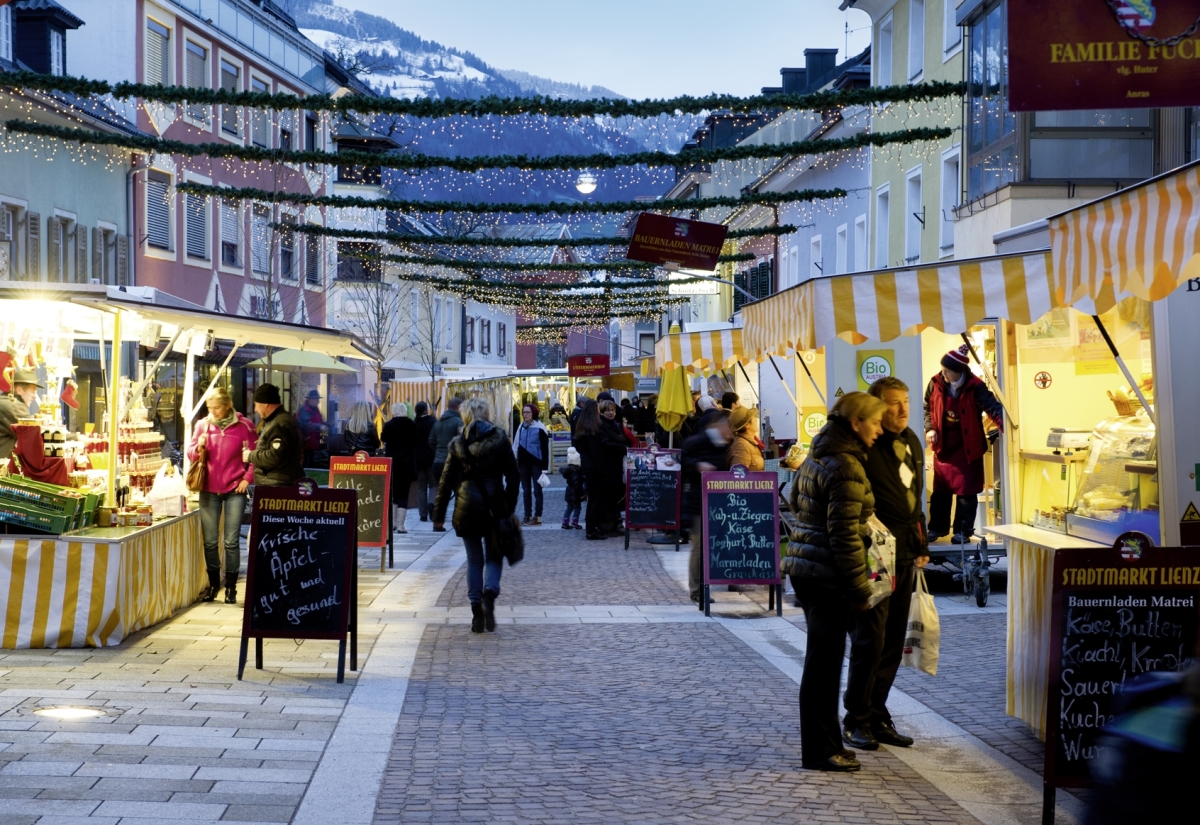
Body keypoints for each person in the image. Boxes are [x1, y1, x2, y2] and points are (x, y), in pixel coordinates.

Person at [782, 391, 886, 772]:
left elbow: (795, 499)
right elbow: (844, 536)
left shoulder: (819, 453)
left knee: (822, 663)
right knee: (823, 667)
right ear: (856, 423)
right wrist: (859, 589)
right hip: (826, 575)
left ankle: (827, 743)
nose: (879, 430)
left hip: (807, 567)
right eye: (875, 422)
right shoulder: (845, 464)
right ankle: (821, 750)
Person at [842, 377, 930, 752]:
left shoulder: (911, 441)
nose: (903, 409)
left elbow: (914, 496)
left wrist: (920, 540)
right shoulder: (865, 446)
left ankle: (877, 714)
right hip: (875, 554)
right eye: (894, 403)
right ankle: (856, 719)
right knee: (871, 639)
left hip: (905, 552)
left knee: (893, 640)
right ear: (877, 407)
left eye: (906, 401)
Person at [432, 398, 518, 633]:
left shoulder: (458, 443)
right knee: (494, 555)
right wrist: (508, 506)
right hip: (494, 506)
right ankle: (490, 591)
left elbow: (445, 481)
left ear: (466, 416)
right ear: (486, 413)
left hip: (466, 507)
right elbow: (513, 475)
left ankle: (476, 613)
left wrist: (438, 514)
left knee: (474, 560)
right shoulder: (500, 439)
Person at [924, 344, 1004, 544]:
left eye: (947, 371)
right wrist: (930, 428)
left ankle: (962, 531)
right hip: (944, 445)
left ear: (959, 371)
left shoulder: (975, 386)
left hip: (967, 447)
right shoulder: (935, 383)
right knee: (941, 491)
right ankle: (936, 528)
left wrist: (1005, 426)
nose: (943, 374)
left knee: (966, 493)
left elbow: (992, 407)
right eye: (942, 369)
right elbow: (927, 407)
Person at [187, 387, 256, 604]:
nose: (213, 412)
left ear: (227, 405)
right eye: (210, 408)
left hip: (235, 489)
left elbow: (255, 456)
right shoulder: (202, 426)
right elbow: (190, 454)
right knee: (210, 541)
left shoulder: (245, 426)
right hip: (208, 489)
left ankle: (231, 588)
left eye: (217, 407)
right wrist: (198, 447)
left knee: (231, 541)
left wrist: (247, 479)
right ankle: (214, 585)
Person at [682, 410, 732, 601]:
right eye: (728, 426)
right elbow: (682, 461)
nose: (730, 431)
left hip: (716, 504)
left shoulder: (723, 445)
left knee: (710, 546)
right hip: (698, 503)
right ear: (718, 425)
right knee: (699, 547)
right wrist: (698, 466)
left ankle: (705, 585)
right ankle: (696, 590)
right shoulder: (699, 442)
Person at [248, 384, 303, 488]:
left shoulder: (280, 424)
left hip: (277, 486)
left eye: (256, 404)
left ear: (265, 404)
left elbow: (276, 457)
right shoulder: (277, 421)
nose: (255, 409)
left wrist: (250, 456)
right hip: (276, 483)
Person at [428, 397, 464, 531]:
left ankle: (437, 523)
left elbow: (431, 441)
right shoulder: (458, 422)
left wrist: (438, 452)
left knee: (442, 494)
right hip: (452, 463)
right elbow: (462, 441)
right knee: (459, 493)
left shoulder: (438, 423)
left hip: (437, 462)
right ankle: (459, 521)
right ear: (458, 408)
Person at [380, 402, 417, 534]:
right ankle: (401, 525)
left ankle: (393, 524)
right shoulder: (412, 424)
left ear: (394, 411)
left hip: (393, 464)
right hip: (407, 464)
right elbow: (416, 441)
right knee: (404, 494)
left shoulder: (389, 425)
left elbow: (383, 438)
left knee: (393, 493)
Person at [513, 402, 549, 525]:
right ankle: (527, 515)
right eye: (524, 412)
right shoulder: (521, 427)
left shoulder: (540, 427)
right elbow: (516, 444)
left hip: (536, 464)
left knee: (537, 491)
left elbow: (545, 449)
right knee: (526, 491)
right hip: (523, 464)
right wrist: (515, 460)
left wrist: (545, 467)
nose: (525, 414)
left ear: (534, 413)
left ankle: (538, 517)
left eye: (528, 412)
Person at [598, 399, 629, 530]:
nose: (611, 413)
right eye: (607, 410)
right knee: (609, 496)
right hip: (608, 466)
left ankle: (615, 522)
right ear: (602, 412)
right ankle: (608, 525)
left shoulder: (616, 425)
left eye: (612, 410)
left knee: (617, 494)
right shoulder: (601, 426)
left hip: (617, 464)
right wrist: (623, 448)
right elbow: (605, 444)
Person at [0, 369, 42, 460]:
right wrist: (71, 437)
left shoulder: (5, 401)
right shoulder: (14, 406)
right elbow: (35, 434)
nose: (35, 396)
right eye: (33, 391)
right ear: (19, 390)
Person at [412, 401, 437, 522]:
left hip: (419, 459)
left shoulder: (414, 424)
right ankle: (432, 503)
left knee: (421, 488)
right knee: (433, 485)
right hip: (432, 457)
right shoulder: (432, 422)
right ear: (426, 410)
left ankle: (423, 514)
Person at [297, 389, 326, 467]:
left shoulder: (315, 410)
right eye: (315, 399)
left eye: (318, 399)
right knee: (306, 463)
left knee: (311, 463)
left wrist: (326, 424)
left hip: (312, 443)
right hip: (305, 443)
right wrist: (319, 426)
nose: (317, 401)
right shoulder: (305, 410)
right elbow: (305, 424)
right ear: (310, 400)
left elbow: (318, 422)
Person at [560, 446, 585, 530]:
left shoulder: (568, 471)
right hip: (575, 494)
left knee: (569, 507)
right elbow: (578, 485)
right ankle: (575, 521)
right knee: (577, 507)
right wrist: (582, 494)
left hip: (569, 492)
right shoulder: (577, 472)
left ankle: (565, 522)